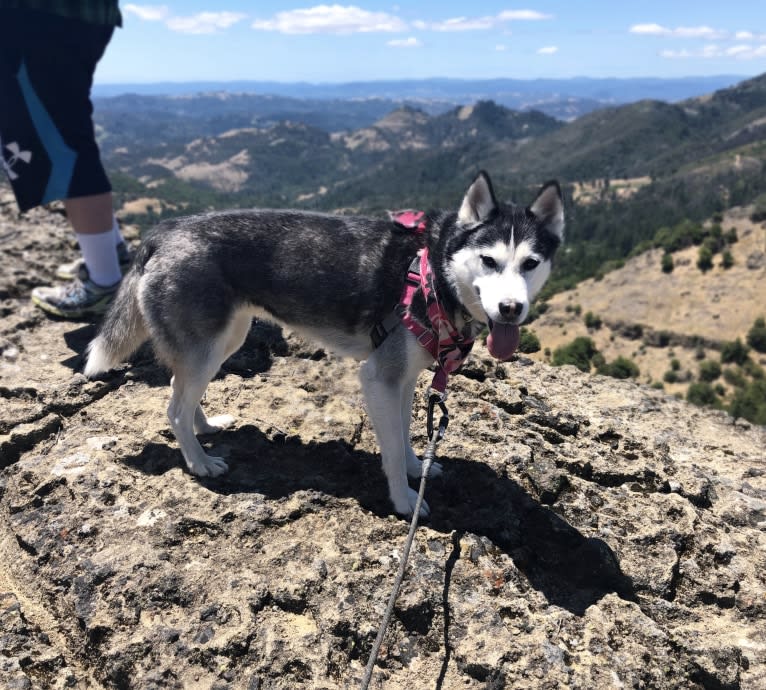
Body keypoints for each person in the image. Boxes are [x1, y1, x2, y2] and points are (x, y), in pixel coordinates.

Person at [0, 1, 129, 318]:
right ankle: (113, 257)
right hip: (78, 15)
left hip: (36, 16)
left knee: (59, 144)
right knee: (66, 132)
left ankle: (105, 284)